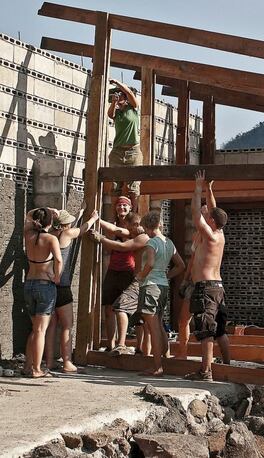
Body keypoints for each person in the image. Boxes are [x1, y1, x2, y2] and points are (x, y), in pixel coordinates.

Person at [185, 171, 230, 382]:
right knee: (219, 329)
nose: (206, 216)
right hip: (218, 287)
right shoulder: (220, 233)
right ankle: (226, 367)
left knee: (205, 330)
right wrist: (209, 189)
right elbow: (213, 210)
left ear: (211, 221)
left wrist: (197, 187)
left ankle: (206, 372)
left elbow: (195, 213)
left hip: (207, 288)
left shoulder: (210, 236)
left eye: (208, 217)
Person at [45, 206, 99, 372]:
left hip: (47, 285)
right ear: (66, 224)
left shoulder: (49, 236)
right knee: (67, 325)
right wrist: (93, 218)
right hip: (62, 285)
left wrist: (79, 214)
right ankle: (67, 362)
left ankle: (49, 362)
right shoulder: (67, 234)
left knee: (51, 326)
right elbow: (82, 229)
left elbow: (69, 225)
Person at [90, 211, 151, 356]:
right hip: (139, 278)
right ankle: (144, 352)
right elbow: (114, 229)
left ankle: (126, 345)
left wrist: (101, 238)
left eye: (132, 227)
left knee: (125, 308)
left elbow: (123, 247)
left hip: (138, 279)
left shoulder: (143, 237)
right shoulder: (135, 233)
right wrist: (96, 219)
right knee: (144, 316)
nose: (130, 231)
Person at [137, 210, 185, 376]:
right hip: (163, 286)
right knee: (159, 324)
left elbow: (149, 263)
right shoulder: (169, 242)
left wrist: (140, 276)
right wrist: (166, 275)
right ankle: (165, 357)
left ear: (149, 227)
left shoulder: (152, 243)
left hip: (150, 285)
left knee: (153, 328)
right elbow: (181, 265)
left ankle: (157, 367)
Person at [176, 180, 217, 360]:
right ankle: (182, 355)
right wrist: (185, 279)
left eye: (204, 212)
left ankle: (208, 365)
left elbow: (214, 208)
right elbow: (192, 259)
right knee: (183, 320)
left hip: (206, 284)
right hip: (193, 282)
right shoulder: (196, 235)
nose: (201, 213)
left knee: (207, 326)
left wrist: (207, 190)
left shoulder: (213, 234)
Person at [23, 207, 63, 378]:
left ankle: (27, 366)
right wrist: (57, 277)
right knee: (40, 330)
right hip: (45, 285)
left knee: (35, 329)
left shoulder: (28, 236)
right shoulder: (51, 238)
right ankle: (37, 369)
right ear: (50, 222)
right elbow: (59, 260)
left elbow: (27, 216)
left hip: (29, 284)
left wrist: (42, 211)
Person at [100, 196, 135, 351]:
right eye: (119, 205)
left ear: (130, 208)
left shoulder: (133, 227)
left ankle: (122, 343)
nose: (121, 208)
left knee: (123, 308)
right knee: (108, 308)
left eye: (124, 206)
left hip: (128, 271)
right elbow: (110, 247)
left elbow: (117, 231)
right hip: (113, 270)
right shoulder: (112, 225)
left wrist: (95, 219)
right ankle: (110, 344)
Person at [108, 79, 142, 211]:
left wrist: (117, 83)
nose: (119, 96)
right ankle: (114, 216)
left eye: (121, 95)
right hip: (117, 152)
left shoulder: (132, 109)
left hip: (133, 151)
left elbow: (129, 92)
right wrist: (114, 102)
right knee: (115, 185)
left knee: (133, 187)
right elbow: (110, 114)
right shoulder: (118, 112)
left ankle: (134, 216)